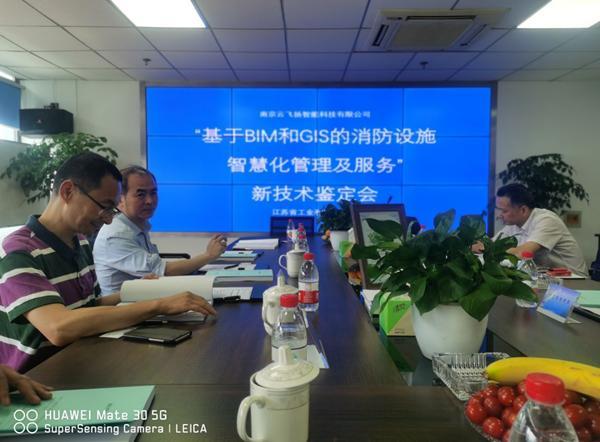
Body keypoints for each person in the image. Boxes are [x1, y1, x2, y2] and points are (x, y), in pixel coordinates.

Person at [0, 153, 216, 371]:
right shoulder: (17, 251)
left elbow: (89, 306)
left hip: (83, 358)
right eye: (104, 206)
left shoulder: (80, 241)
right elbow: (58, 327)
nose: (109, 219)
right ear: (68, 191)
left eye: (112, 210)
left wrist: (135, 291)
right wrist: (159, 305)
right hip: (39, 377)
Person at [93, 166, 227, 294]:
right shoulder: (116, 234)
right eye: (141, 194)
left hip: (146, 296)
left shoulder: (136, 225)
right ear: (120, 199)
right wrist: (208, 256)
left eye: (153, 193)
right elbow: (163, 271)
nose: (150, 201)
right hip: (123, 306)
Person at [486, 183, 587, 276]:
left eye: (504, 211)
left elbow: (522, 253)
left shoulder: (547, 220)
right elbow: (491, 245)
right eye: (498, 210)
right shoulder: (512, 224)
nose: (499, 215)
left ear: (523, 210)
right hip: (545, 278)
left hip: (574, 280)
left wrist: (490, 252)